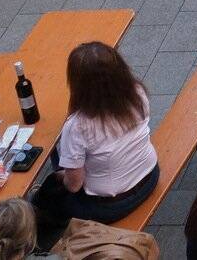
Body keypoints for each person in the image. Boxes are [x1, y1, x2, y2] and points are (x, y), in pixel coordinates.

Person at [31, 42, 162, 246]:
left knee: (50, 190)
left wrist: (61, 177)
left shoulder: (78, 126)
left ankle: (39, 230)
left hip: (112, 205)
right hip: (149, 176)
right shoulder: (137, 92)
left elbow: (74, 185)